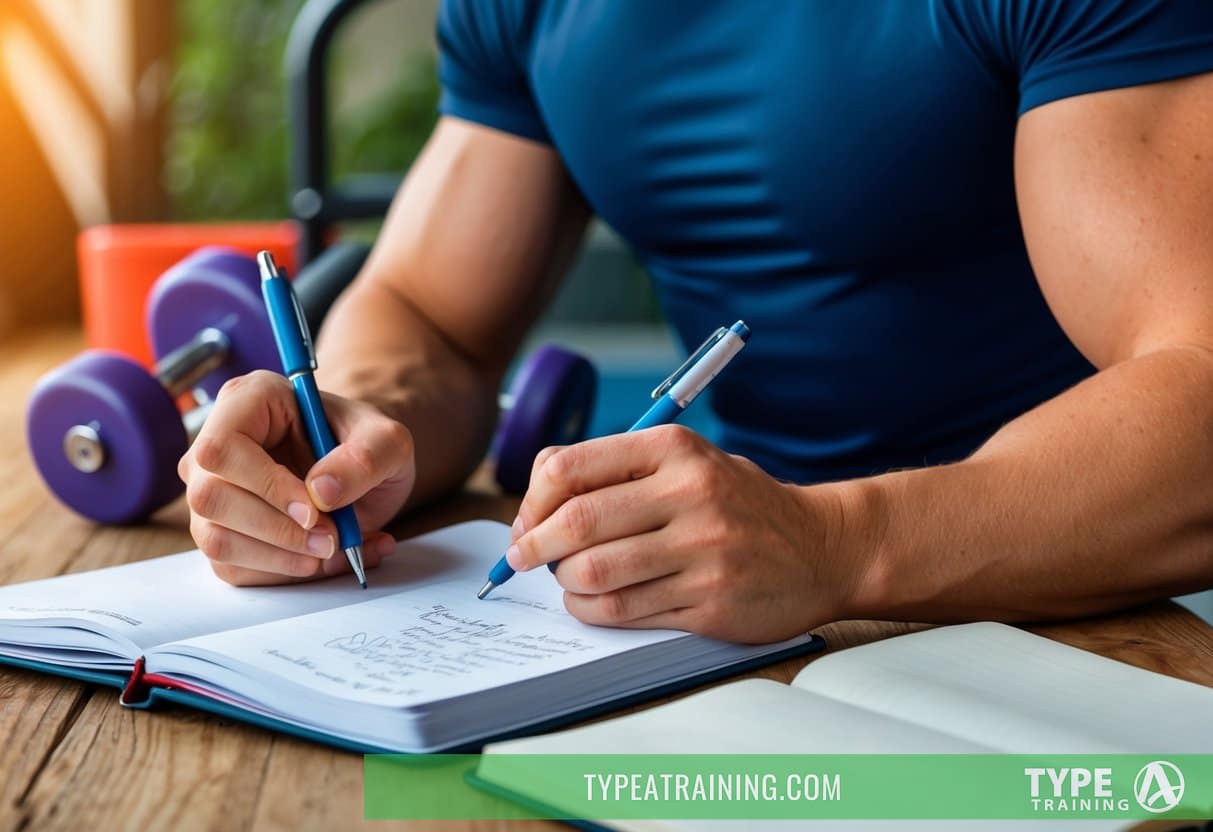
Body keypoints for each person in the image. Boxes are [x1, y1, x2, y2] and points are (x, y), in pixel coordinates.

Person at [178, 1, 1213, 644]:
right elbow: (427, 318)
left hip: (1091, 598)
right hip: (742, 600)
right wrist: (360, 428)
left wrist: (840, 542)